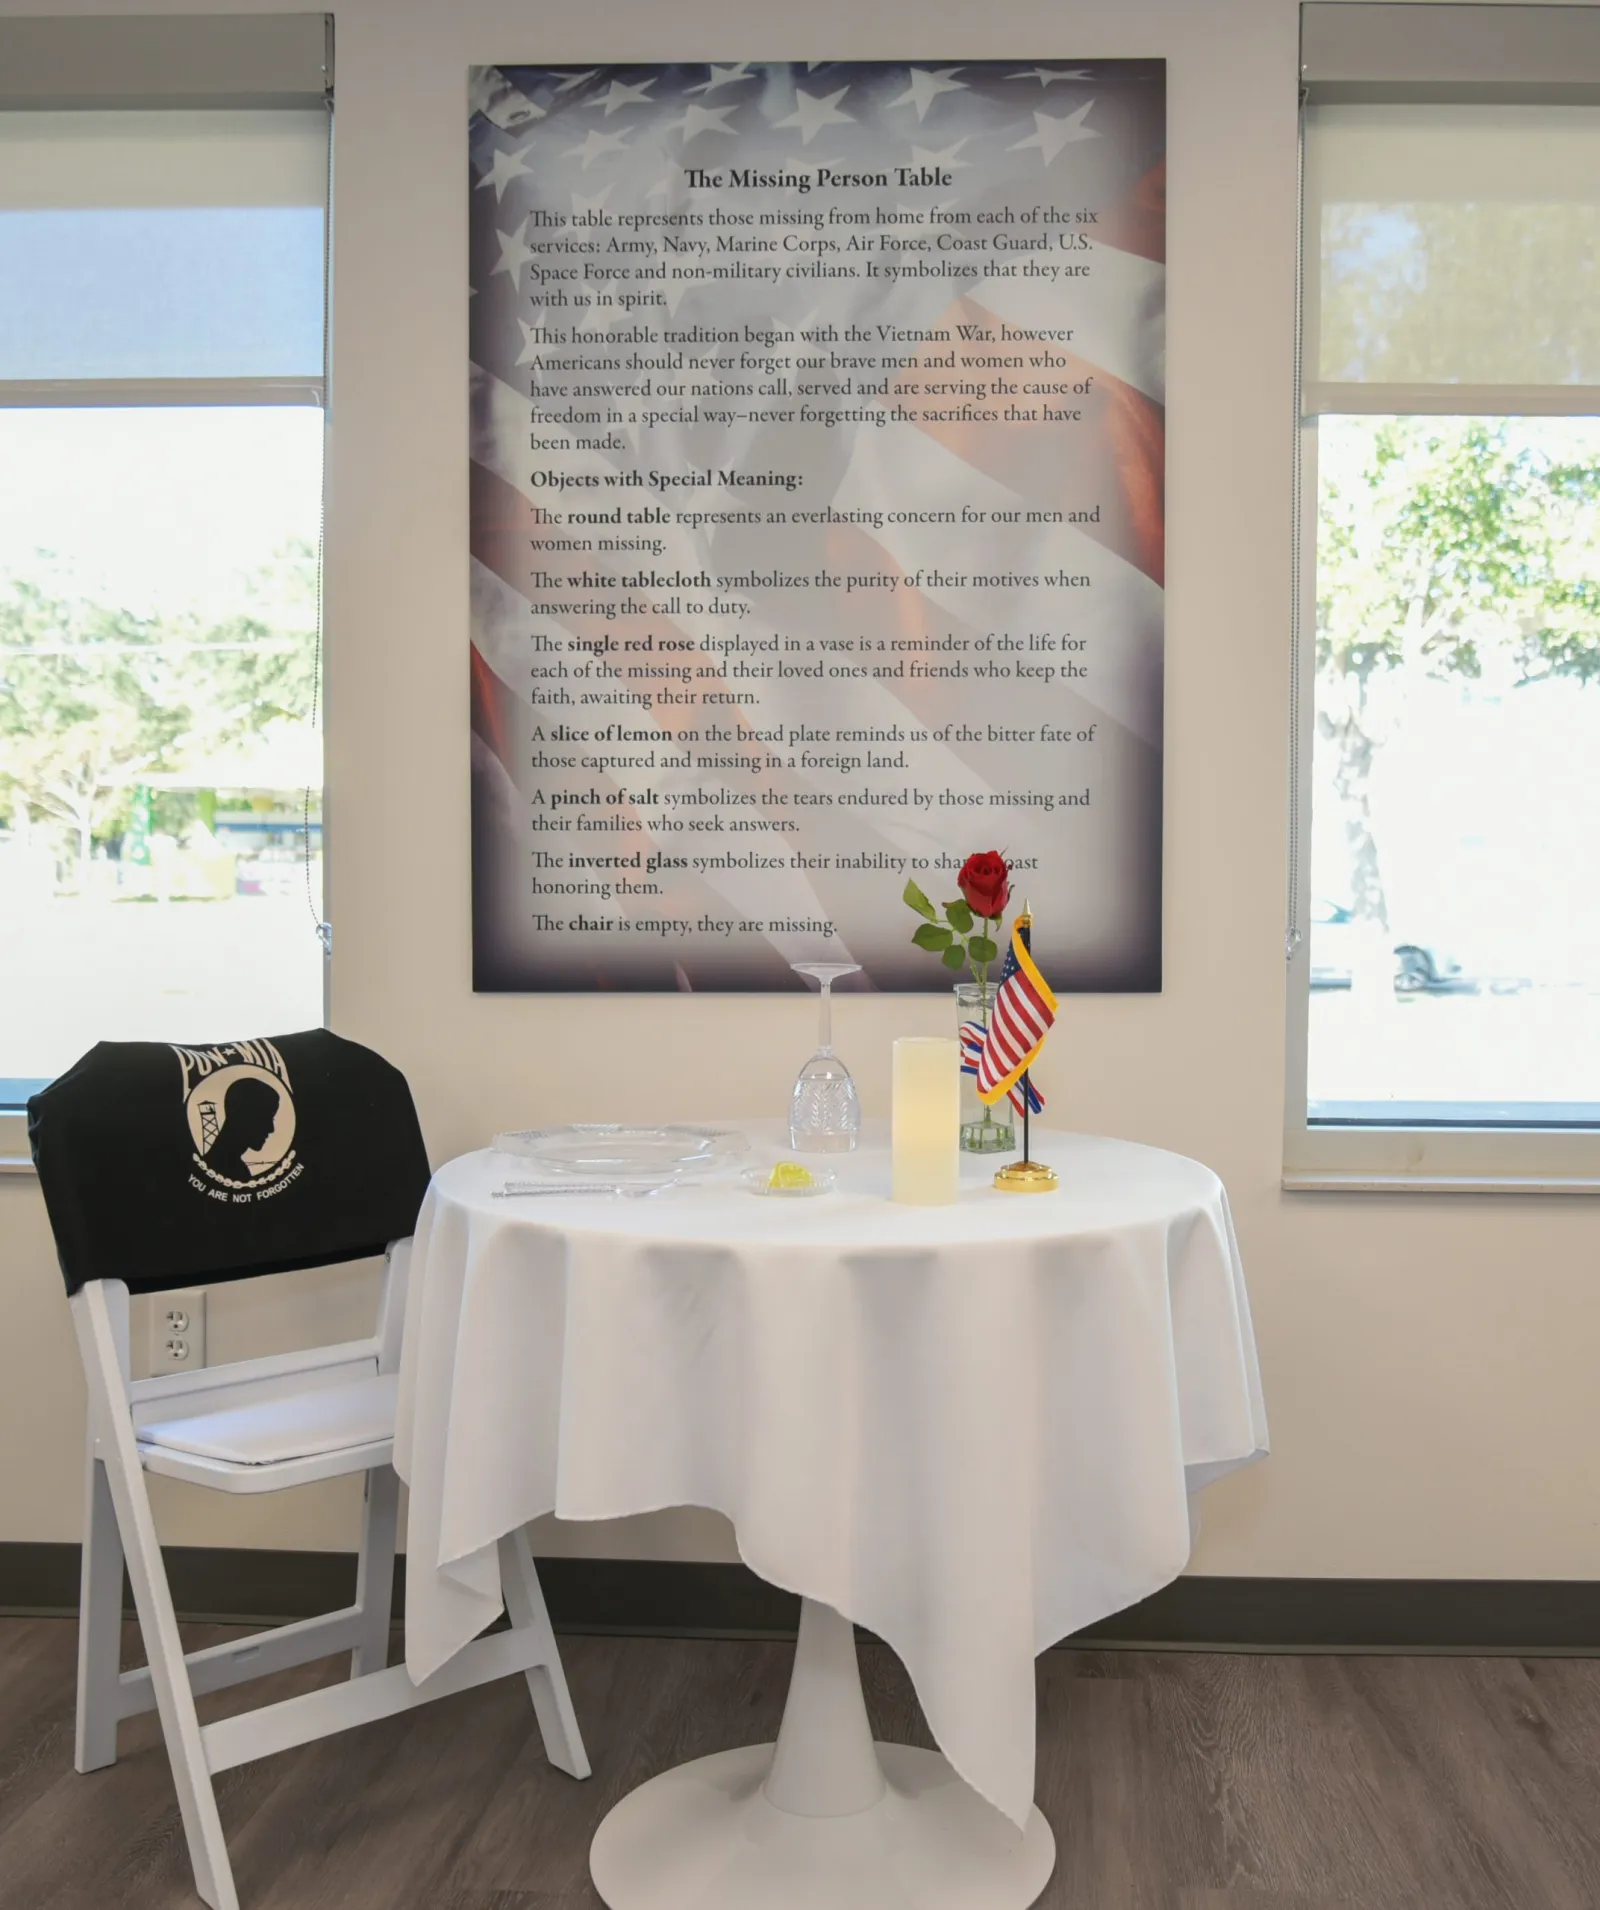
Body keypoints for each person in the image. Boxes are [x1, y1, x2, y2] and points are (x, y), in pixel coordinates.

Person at [202, 1075, 281, 1181]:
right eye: (264, 1118)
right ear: (240, 1115)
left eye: (272, 1119)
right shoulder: (230, 1170)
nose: (271, 1129)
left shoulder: (234, 1168)